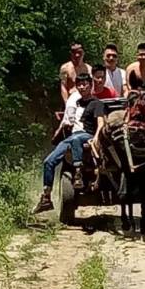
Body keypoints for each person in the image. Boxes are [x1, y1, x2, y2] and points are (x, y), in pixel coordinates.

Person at [33, 74, 106, 213]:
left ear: (91, 85)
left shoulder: (97, 103)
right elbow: (67, 121)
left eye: (85, 84)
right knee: (49, 162)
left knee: (76, 139)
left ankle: (78, 172)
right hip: (72, 137)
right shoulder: (76, 103)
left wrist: (96, 137)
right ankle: (46, 197)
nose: (83, 87)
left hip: (87, 135)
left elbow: (101, 123)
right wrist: (60, 131)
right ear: (77, 87)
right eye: (80, 84)